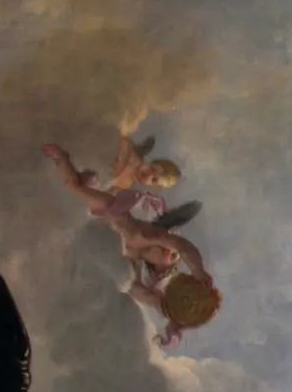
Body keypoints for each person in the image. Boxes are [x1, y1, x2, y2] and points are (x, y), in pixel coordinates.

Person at [42, 144, 219, 346]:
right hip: (111, 212)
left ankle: (87, 181)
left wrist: (176, 322)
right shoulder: (148, 235)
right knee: (74, 186)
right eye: (173, 253)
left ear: (158, 269)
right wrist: (198, 270)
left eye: (171, 258)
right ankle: (63, 158)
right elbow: (182, 246)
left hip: (97, 236)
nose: (169, 251)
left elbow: (155, 300)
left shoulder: (132, 270)